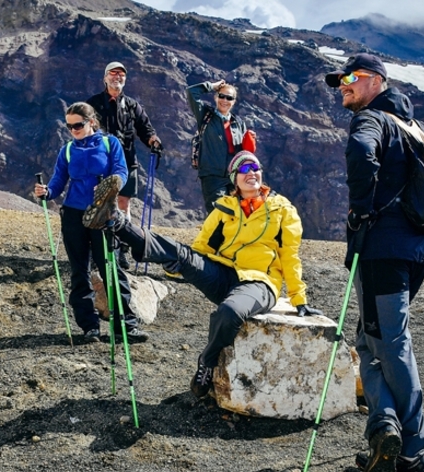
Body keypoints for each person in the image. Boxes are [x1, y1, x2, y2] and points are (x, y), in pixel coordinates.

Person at [325, 53, 424, 472]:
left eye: (350, 78)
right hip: (415, 252)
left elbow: (360, 152)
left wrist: (362, 211)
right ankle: (385, 429)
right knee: (371, 340)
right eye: (340, 81)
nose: (343, 87)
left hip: (382, 252)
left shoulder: (372, 120)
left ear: (375, 81)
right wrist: (418, 219)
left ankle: (411, 447)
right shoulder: (417, 128)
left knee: (389, 343)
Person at [82, 150, 323, 397]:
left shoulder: (282, 209)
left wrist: (299, 299)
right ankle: (116, 219)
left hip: (260, 283)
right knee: (180, 253)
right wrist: (177, 269)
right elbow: (199, 249)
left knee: (230, 312)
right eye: (243, 169)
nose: (250, 173)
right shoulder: (224, 209)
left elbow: (290, 256)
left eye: (254, 168)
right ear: (234, 179)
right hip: (222, 273)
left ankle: (207, 362)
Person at [33, 102, 149, 344]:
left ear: (91, 122)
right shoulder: (66, 150)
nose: (74, 129)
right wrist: (47, 191)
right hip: (74, 215)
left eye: (78, 124)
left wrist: (112, 184)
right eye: (69, 126)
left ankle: (124, 326)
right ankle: (89, 327)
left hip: (102, 212)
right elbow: (58, 180)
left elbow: (121, 170)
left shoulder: (109, 143)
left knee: (111, 269)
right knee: (79, 272)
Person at [86, 61, 162, 269]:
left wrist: (153, 141)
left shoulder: (132, 106)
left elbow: (145, 129)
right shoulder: (92, 105)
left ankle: (120, 251)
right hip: (101, 163)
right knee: (100, 204)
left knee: (123, 205)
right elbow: (83, 130)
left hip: (127, 163)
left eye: (121, 75)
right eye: (113, 73)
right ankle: (98, 252)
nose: (117, 77)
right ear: (105, 78)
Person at [186, 79, 256, 213]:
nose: (224, 100)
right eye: (221, 96)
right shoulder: (205, 115)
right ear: (215, 97)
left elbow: (243, 153)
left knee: (236, 214)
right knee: (217, 213)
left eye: (229, 98)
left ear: (234, 101)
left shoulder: (238, 123)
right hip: (212, 175)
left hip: (234, 176)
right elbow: (191, 92)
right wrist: (212, 86)